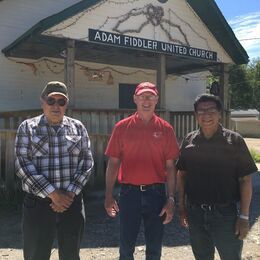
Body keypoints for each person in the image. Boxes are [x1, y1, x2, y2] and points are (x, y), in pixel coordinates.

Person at [15, 81, 94, 260]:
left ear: (66, 104)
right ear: (42, 102)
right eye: (51, 101)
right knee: (36, 255)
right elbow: (22, 164)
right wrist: (53, 194)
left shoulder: (78, 128)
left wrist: (69, 195)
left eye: (61, 102)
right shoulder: (27, 128)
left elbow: (87, 163)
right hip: (38, 204)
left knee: (71, 255)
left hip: (71, 203)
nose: (56, 106)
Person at [177, 93, 257, 260]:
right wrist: (182, 207)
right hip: (195, 214)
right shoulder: (189, 141)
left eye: (211, 110)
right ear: (195, 115)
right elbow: (182, 175)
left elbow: (245, 180)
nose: (206, 115)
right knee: (202, 256)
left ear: (220, 113)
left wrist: (243, 216)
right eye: (201, 111)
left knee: (231, 257)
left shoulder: (234, 141)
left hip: (225, 215)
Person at [104, 82, 179, 260]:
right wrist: (108, 196)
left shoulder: (166, 129)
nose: (146, 100)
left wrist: (171, 198)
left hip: (156, 194)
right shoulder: (122, 127)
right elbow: (113, 163)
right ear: (135, 99)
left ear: (156, 100)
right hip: (129, 194)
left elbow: (170, 166)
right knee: (126, 246)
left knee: (154, 247)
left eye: (150, 96)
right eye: (142, 96)